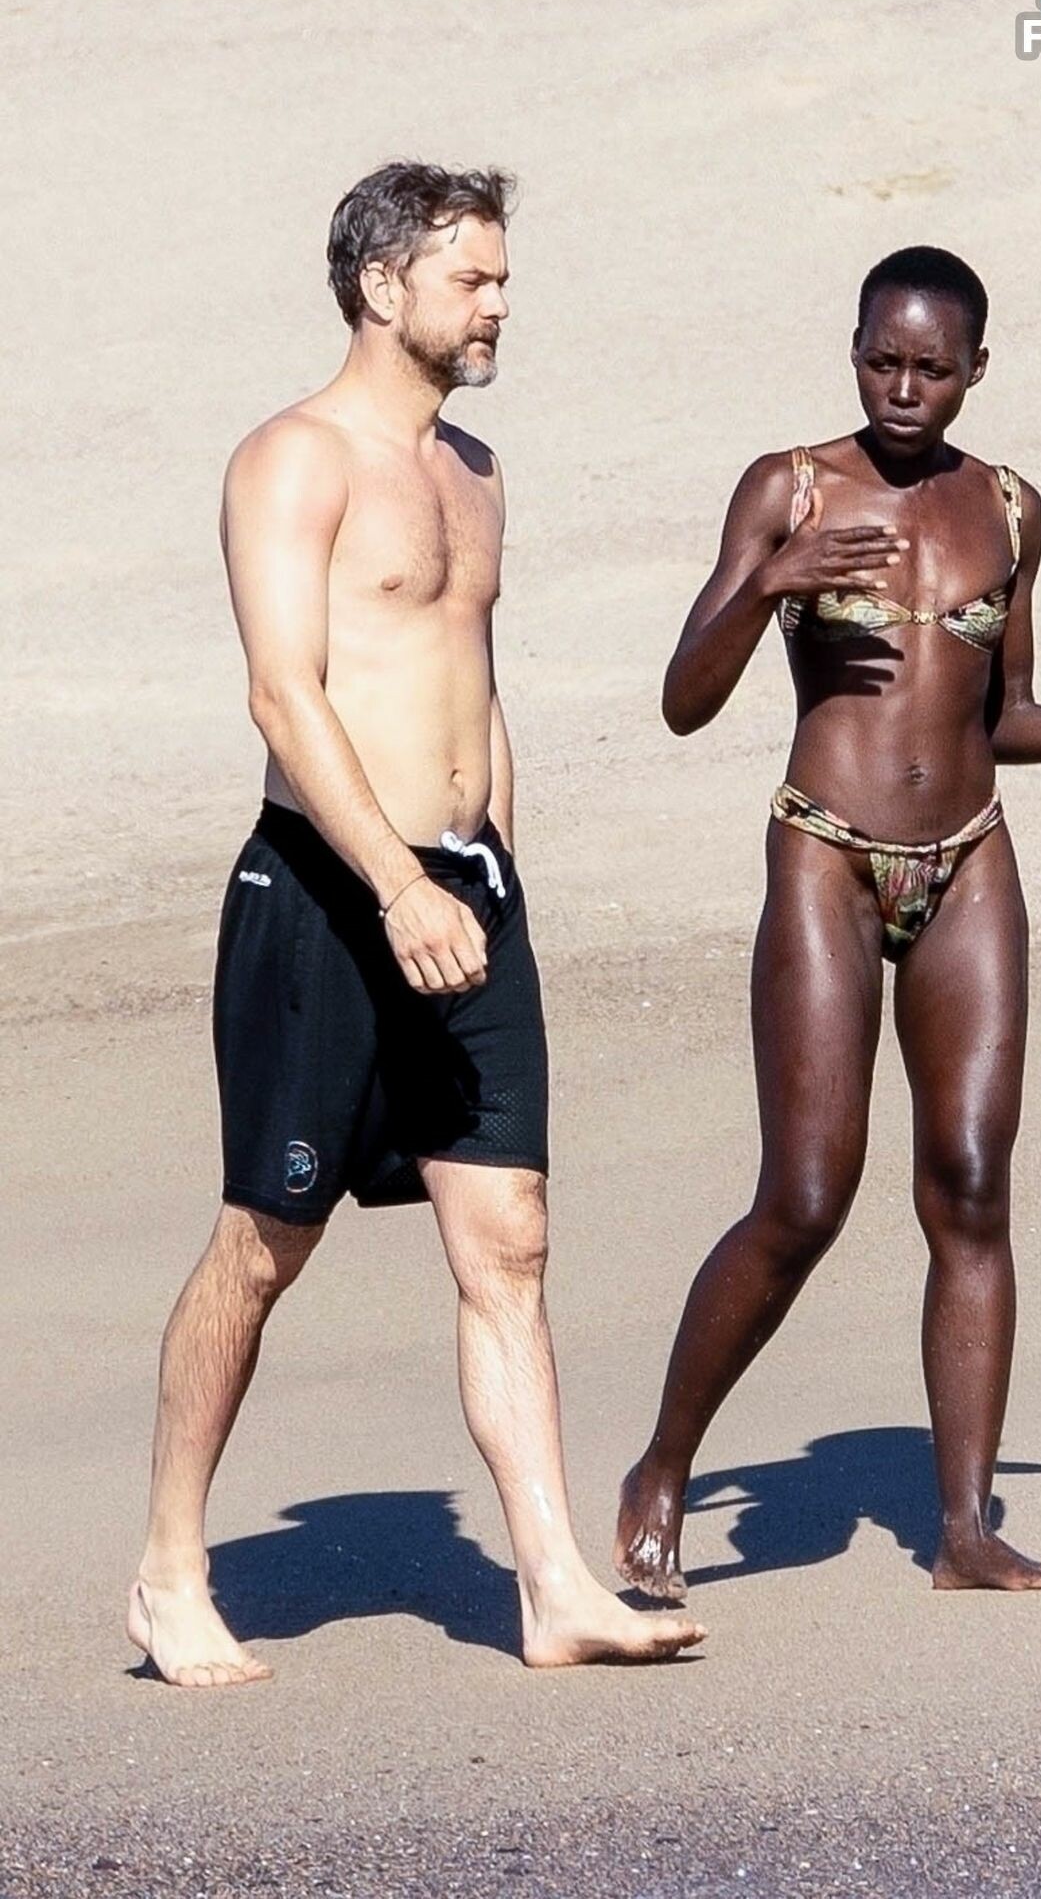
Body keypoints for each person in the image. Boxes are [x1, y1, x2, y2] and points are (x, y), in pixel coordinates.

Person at [128, 161, 705, 1685]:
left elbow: (472, 675)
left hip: (465, 894)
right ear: (382, 287)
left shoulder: (477, 467)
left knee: (508, 1238)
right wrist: (394, 881)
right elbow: (283, 693)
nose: (499, 302)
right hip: (330, 898)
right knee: (265, 1242)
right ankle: (171, 1569)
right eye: (472, 279)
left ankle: (554, 1585)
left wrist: (494, 858)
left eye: (502, 277)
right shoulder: (293, 460)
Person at [615, 245, 1041, 1602]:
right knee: (806, 1196)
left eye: (930, 369)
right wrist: (776, 577)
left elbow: (1004, 714)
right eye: (880, 359)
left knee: (972, 1184)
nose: (900, 388)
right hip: (826, 854)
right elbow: (683, 699)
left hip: (970, 858)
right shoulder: (788, 486)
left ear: (973, 371)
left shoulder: (1006, 507)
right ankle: (661, 1470)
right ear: (853, 349)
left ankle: (963, 1530)